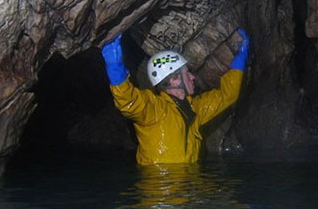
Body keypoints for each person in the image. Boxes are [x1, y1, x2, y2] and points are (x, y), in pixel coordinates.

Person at [100, 29, 249, 165]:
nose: (192, 77)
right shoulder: (156, 110)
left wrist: (241, 56)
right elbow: (128, 101)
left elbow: (227, 95)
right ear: (173, 80)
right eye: (187, 73)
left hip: (189, 186)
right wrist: (115, 67)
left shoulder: (196, 108)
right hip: (160, 189)